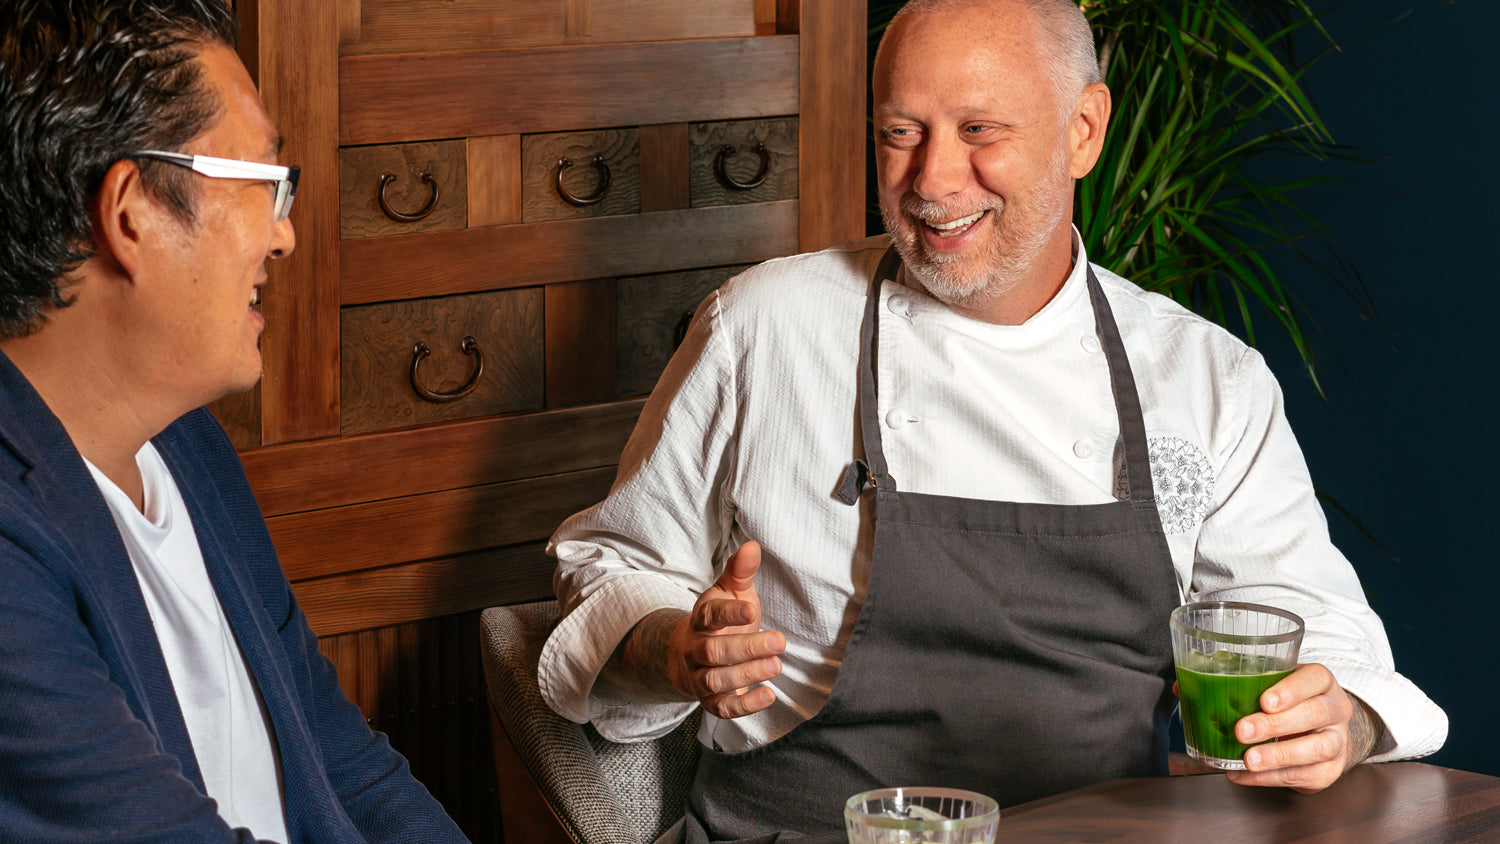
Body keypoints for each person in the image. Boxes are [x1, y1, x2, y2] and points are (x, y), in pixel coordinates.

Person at [539, 0, 1448, 841]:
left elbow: (1311, 628)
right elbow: (612, 563)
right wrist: (677, 648)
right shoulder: (766, 328)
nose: (933, 179)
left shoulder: (1204, 377)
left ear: (1082, 130)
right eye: (900, 134)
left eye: (979, 131)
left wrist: (1340, 718)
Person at [0, 2, 469, 842]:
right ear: (133, 209)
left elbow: (343, 762)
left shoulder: (188, 446)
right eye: (263, 183)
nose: (284, 236)